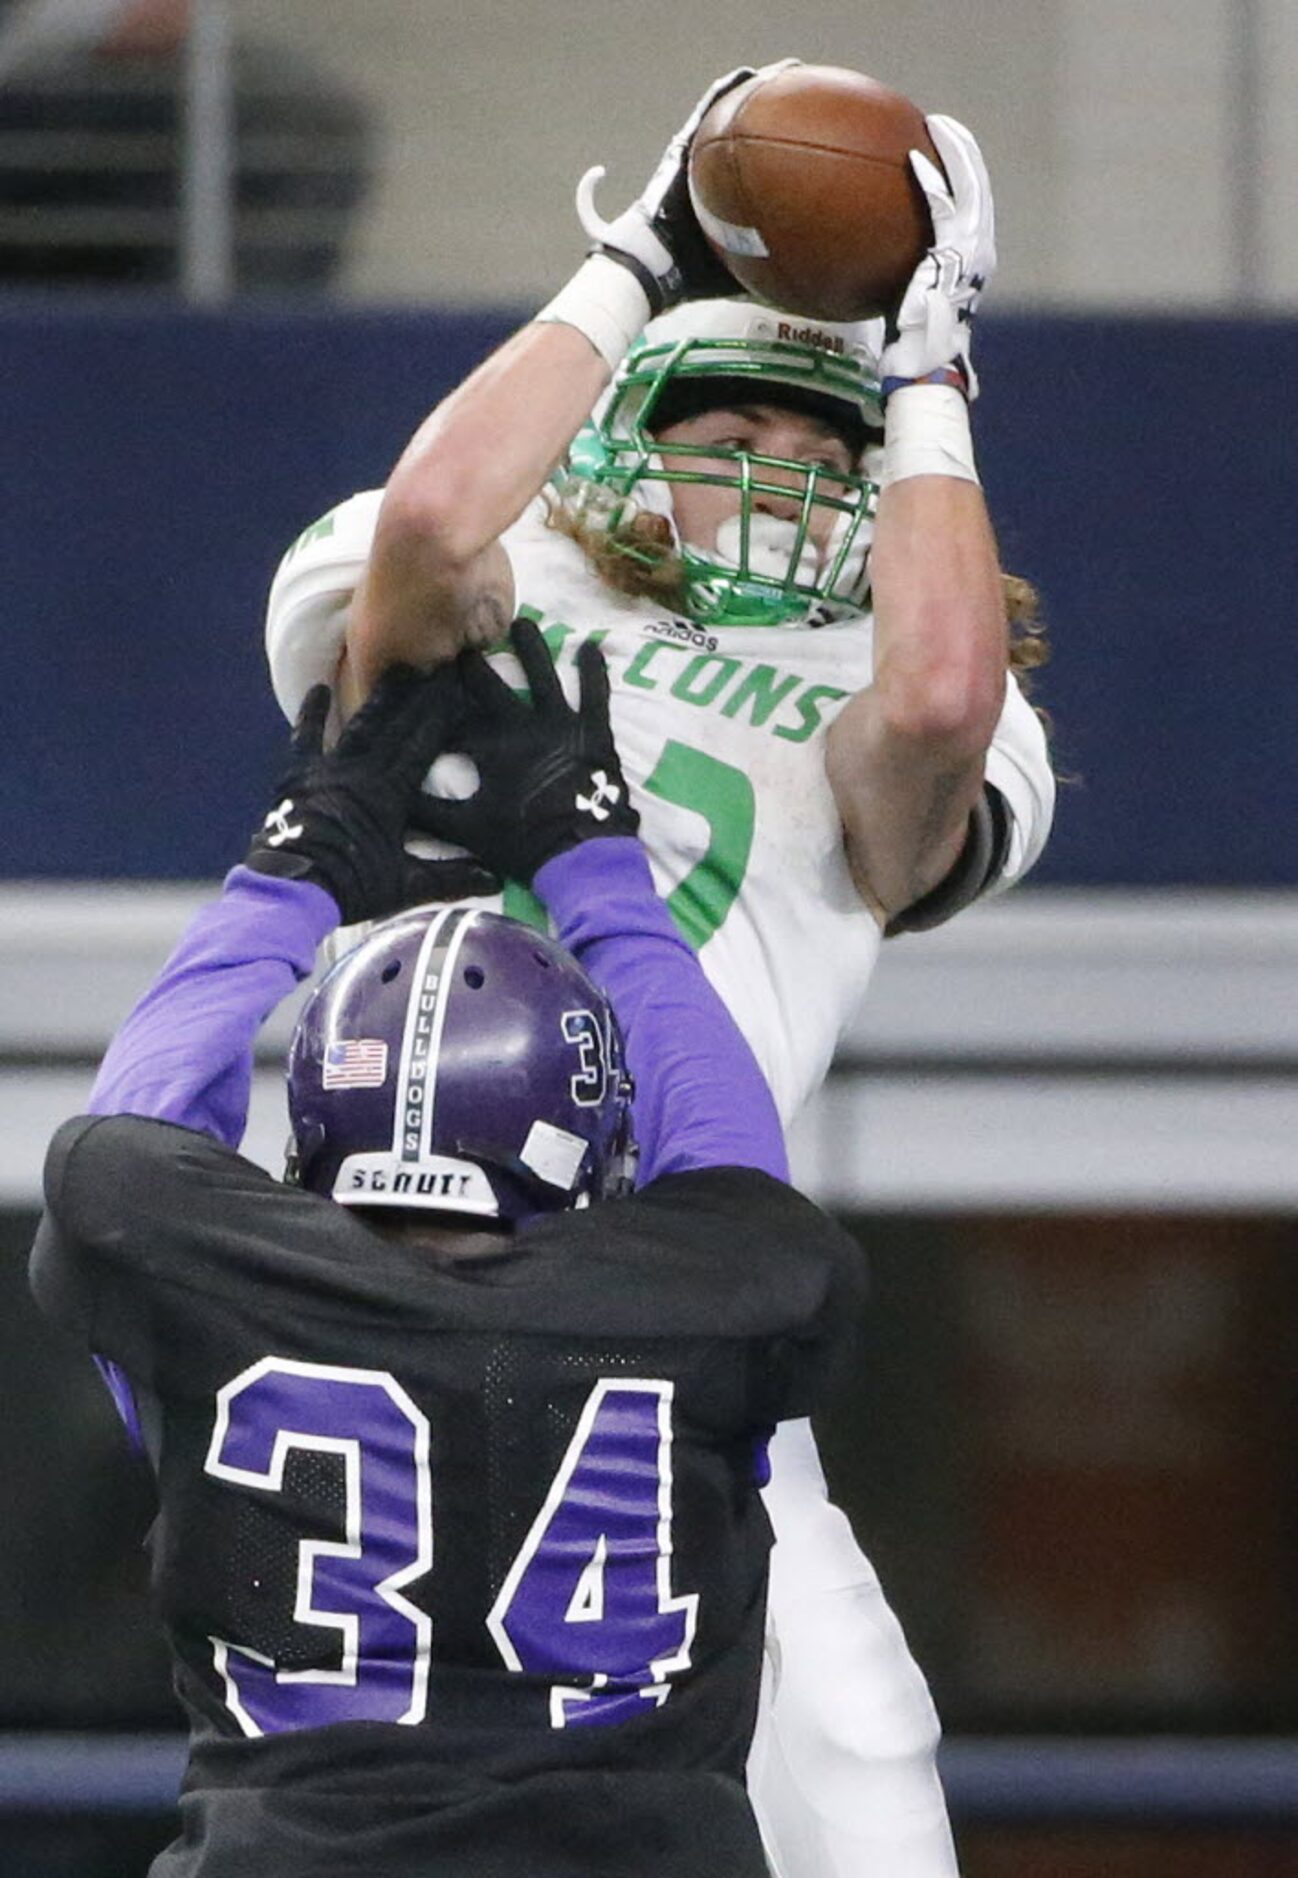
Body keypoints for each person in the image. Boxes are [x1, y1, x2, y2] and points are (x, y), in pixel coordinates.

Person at [263, 59, 1056, 1877]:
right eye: (734, 423)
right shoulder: (502, 582)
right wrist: (633, 257)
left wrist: (924, 373)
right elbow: (428, 528)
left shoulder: (896, 683)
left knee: (862, 1791)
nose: (781, 464)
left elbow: (937, 695)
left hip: (669, 1306)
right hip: (390, 1267)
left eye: (819, 442)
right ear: (626, 426)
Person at [31, 624, 864, 1878]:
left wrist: (292, 872)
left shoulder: (198, 1279)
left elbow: (130, 1144)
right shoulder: (711, 1293)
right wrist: (598, 875)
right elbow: (728, 1161)